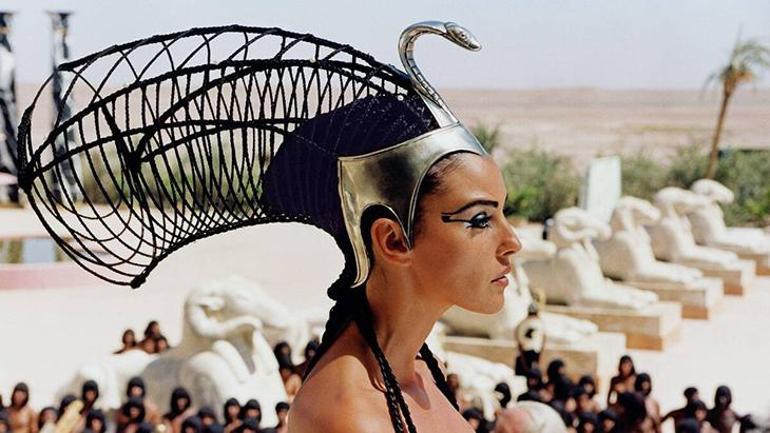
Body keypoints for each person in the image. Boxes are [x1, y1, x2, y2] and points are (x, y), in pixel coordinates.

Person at [18, 20, 516, 433]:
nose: (511, 242)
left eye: (502, 212)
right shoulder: (350, 414)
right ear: (393, 239)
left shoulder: (418, 371)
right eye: (480, 219)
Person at [514, 304, 545, 376]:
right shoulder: (539, 323)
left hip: (526, 351)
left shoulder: (522, 323)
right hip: (533, 351)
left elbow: (518, 338)